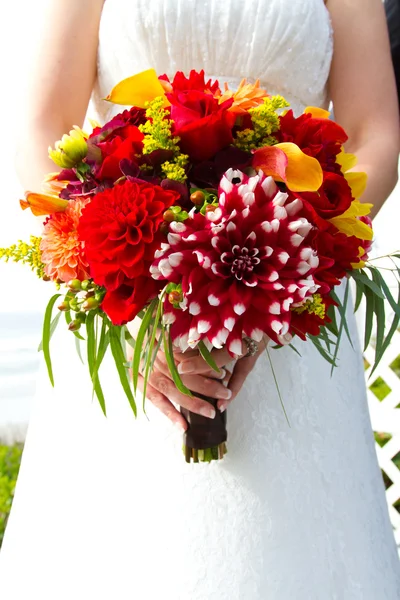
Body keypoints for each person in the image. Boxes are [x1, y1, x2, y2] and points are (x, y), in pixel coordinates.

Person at [1, 0, 400, 598]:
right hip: (125, 294)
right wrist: (128, 292)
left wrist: (287, 264)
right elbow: (41, 129)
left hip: (289, 302)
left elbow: (375, 131)